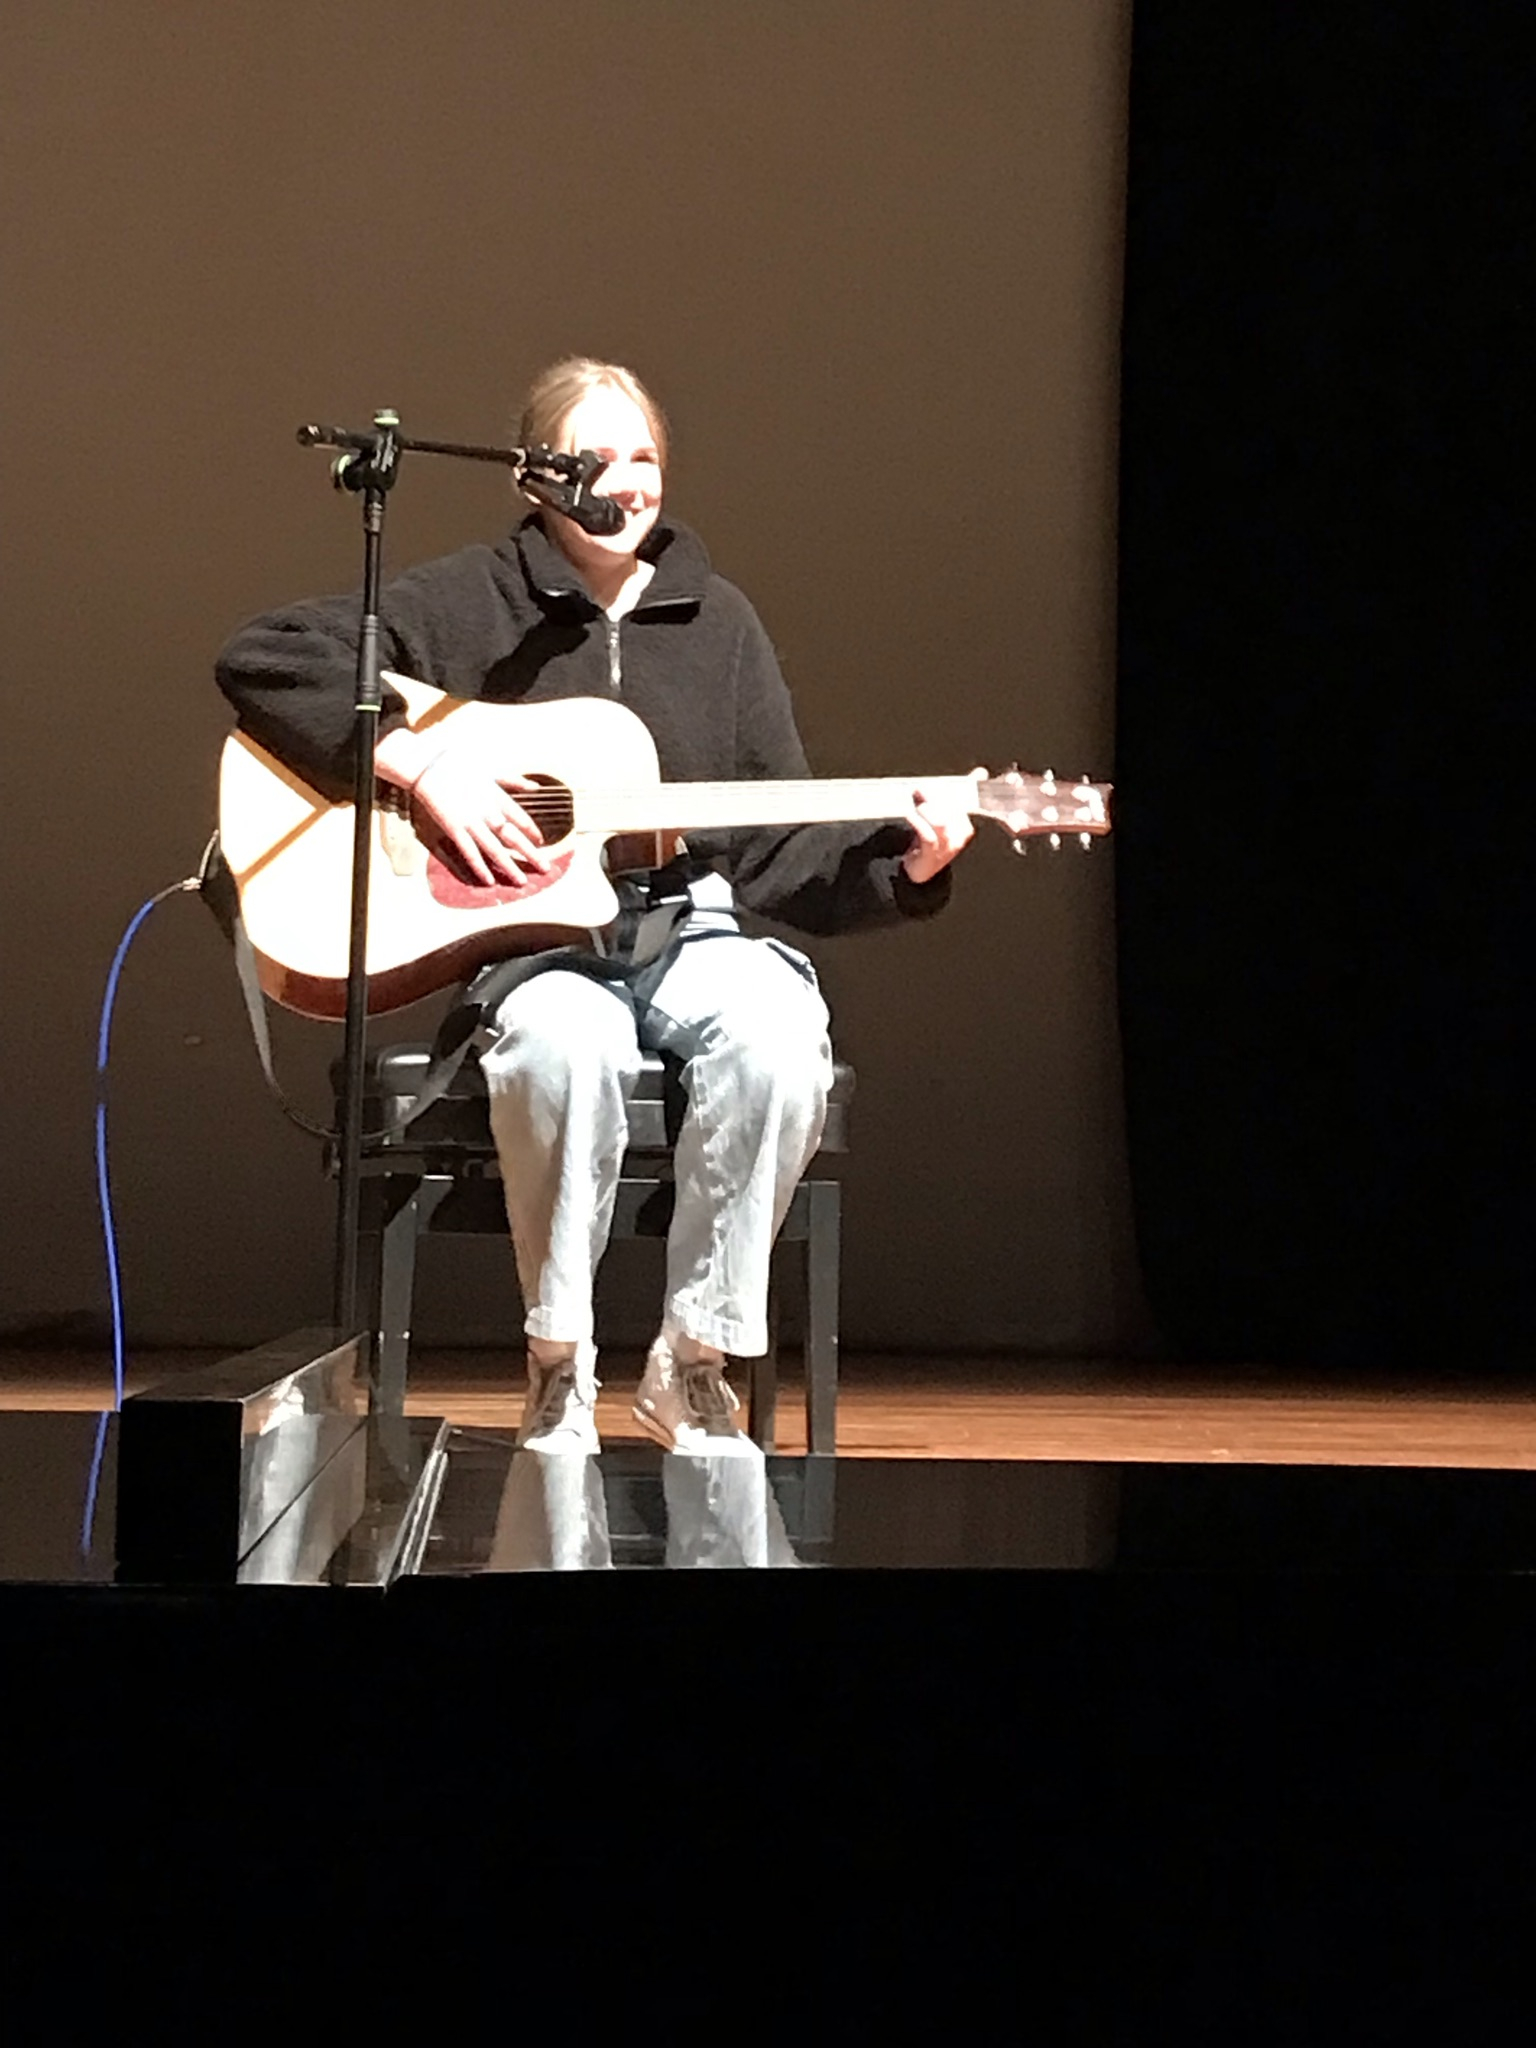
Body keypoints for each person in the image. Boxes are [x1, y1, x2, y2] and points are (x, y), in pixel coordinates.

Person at [216, 358, 975, 1454]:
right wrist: (422, 766)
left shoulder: (719, 622)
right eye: (596, 458)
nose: (628, 480)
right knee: (561, 1046)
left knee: (777, 1035)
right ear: (536, 476)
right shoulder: (469, 597)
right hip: (537, 945)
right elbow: (263, 656)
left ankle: (695, 1361)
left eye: (646, 457)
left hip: (687, 925)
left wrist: (909, 866)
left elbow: (778, 849)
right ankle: (559, 1362)